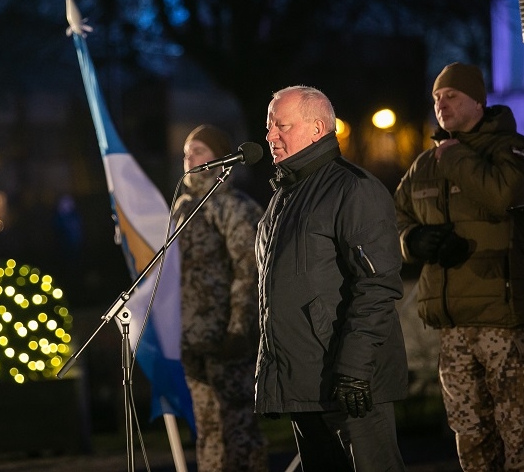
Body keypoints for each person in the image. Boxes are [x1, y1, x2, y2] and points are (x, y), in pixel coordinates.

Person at [393, 62, 524, 471]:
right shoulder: (423, 164)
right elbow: (393, 219)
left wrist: (453, 155)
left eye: (452, 96)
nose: (441, 104)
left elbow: (502, 196)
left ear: (478, 99)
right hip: (453, 327)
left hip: (504, 321)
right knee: (471, 439)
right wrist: (412, 242)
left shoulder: (512, 149)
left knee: (523, 437)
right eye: (437, 98)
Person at [255, 86, 409, 471]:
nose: (271, 136)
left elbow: (377, 286)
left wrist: (355, 372)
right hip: (304, 383)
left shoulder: (353, 189)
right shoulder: (283, 198)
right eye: (269, 126)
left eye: (281, 126)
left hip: (351, 384)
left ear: (316, 128)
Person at [173, 124, 268, 471]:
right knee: (208, 428)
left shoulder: (234, 206)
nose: (190, 158)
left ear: (220, 156)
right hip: (192, 338)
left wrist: (240, 329)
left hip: (228, 338)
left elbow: (249, 272)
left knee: (238, 427)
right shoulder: (182, 207)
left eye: (199, 150)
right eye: (187, 152)